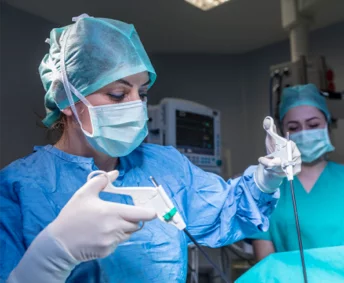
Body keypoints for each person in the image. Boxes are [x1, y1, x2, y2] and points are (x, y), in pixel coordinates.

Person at [0, 14, 302, 283]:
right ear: (67, 101)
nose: (137, 106)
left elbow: (227, 211)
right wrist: (51, 257)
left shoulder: (164, 166)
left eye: (142, 92)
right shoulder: (18, 189)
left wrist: (266, 178)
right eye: (118, 94)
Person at [251, 84, 344, 262]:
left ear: (327, 125)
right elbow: (265, 264)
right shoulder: (268, 187)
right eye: (294, 128)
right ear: (282, 133)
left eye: (313, 125)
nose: (304, 133)